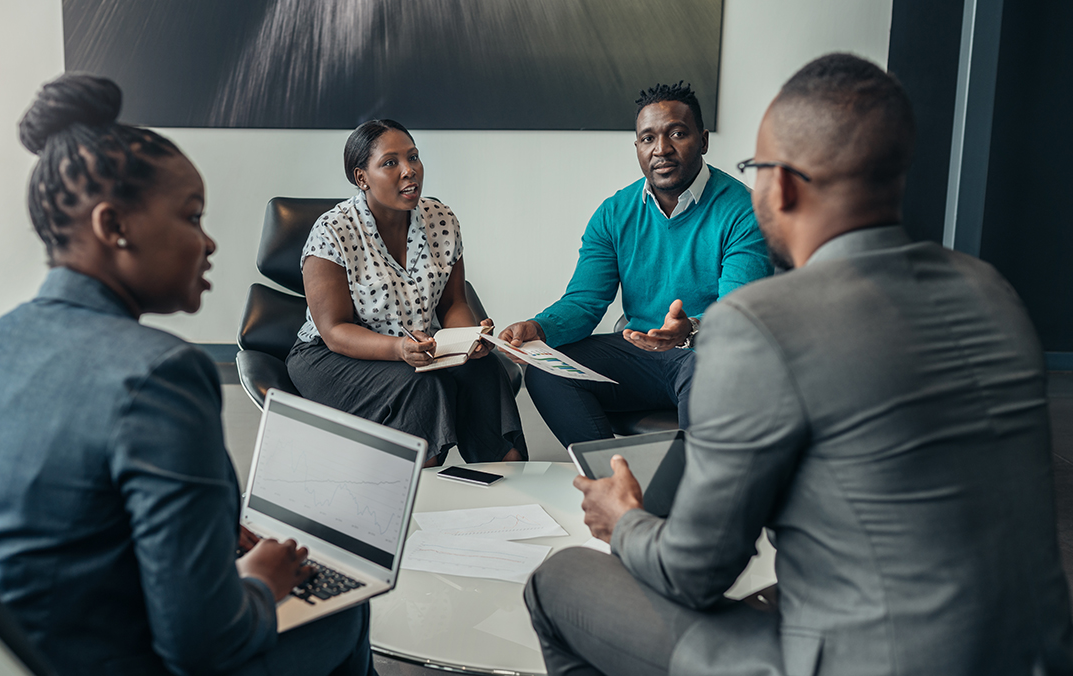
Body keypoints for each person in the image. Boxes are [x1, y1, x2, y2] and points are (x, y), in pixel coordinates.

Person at [524, 54, 1073, 676]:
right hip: (1034, 656)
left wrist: (623, 520)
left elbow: (692, 575)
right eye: (648, 136)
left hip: (860, 661)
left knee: (560, 577)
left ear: (778, 186)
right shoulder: (993, 291)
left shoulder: (760, 323)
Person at [0, 73, 376, 676]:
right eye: (192, 216)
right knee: (341, 611)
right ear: (113, 227)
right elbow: (203, 646)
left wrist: (208, 529)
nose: (208, 242)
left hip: (2, 654)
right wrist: (260, 581)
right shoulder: (160, 373)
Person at [498, 82, 771, 447]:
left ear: (703, 141)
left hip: (708, 354)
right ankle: (610, 482)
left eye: (677, 133)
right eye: (647, 139)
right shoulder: (614, 213)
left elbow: (739, 316)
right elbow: (584, 303)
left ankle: (694, 493)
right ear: (638, 147)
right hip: (639, 353)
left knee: (708, 370)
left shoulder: (744, 211)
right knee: (546, 371)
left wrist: (689, 330)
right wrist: (537, 328)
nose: (661, 150)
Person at [287, 119, 525, 467]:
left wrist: (468, 339)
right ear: (361, 177)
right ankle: (416, 495)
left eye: (413, 157)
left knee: (484, 369)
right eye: (390, 162)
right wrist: (399, 349)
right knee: (422, 387)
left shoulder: (441, 219)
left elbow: (453, 301)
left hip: (418, 350)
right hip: (329, 356)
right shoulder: (332, 231)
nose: (409, 170)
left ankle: (507, 479)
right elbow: (334, 330)